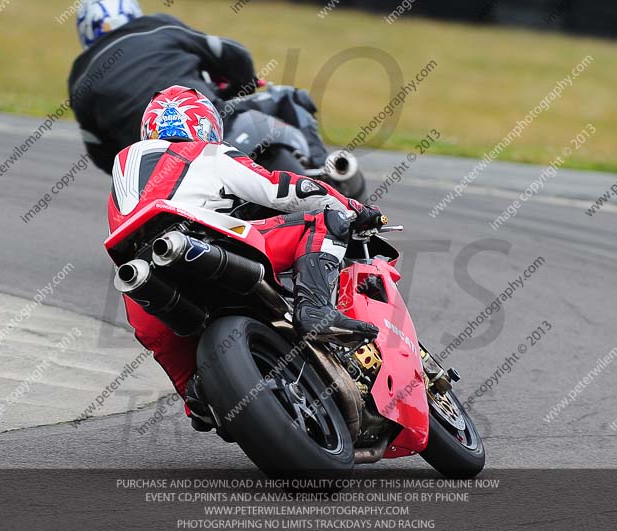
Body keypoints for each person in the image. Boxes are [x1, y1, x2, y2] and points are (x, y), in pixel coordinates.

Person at [107, 85, 383, 430]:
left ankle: (201, 396)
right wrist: (354, 207)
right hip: (204, 243)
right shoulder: (211, 153)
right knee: (323, 220)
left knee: (169, 351)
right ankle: (314, 309)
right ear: (206, 125)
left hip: (143, 281)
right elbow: (281, 189)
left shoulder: (124, 164)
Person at [69, 0, 258, 174]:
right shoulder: (156, 25)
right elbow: (229, 53)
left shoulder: (79, 76)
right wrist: (242, 86)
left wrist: (132, 173)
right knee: (278, 99)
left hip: (157, 170)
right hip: (221, 129)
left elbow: (100, 151)